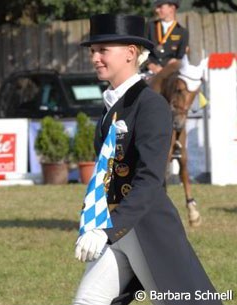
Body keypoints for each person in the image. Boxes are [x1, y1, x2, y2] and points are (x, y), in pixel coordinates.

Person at [72, 13, 223, 305]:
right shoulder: (110, 106)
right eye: (93, 51)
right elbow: (108, 175)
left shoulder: (150, 105)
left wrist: (108, 230)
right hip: (114, 230)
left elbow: (151, 179)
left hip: (145, 228)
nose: (95, 58)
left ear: (130, 53)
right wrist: (95, 221)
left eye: (103, 50)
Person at [146, 0, 189, 91]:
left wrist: (169, 67)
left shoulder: (182, 32)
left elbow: (180, 57)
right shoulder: (150, 26)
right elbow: (142, 50)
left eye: (160, 7)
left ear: (172, 8)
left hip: (170, 76)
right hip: (149, 73)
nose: (157, 10)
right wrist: (150, 65)